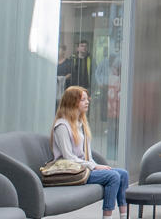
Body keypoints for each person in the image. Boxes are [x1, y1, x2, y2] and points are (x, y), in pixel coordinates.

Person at [53, 87, 128, 217]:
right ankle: (107, 216)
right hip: (71, 171)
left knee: (123, 174)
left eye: (87, 99)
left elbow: (87, 155)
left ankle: (124, 216)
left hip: (84, 168)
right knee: (113, 176)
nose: (87, 102)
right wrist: (94, 166)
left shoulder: (81, 124)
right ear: (72, 102)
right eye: (83, 100)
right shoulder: (62, 126)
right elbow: (68, 157)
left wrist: (94, 166)